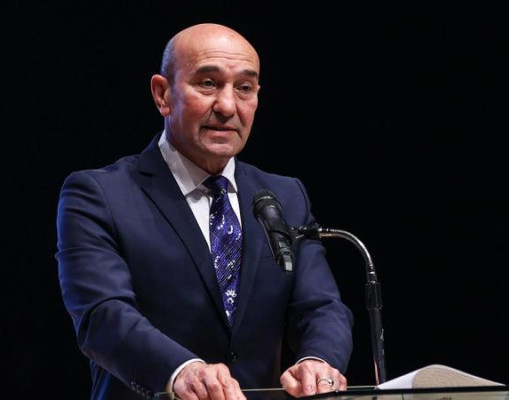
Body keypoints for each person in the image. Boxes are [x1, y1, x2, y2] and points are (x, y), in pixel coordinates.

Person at [55, 22, 354, 400]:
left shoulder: (284, 197)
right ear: (162, 94)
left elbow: (321, 306)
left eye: (244, 88)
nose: (227, 106)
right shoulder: (99, 195)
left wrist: (318, 361)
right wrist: (182, 371)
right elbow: (102, 315)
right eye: (208, 84)